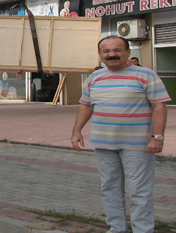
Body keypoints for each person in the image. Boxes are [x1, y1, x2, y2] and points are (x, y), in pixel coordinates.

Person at [71, 36, 170, 233]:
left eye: (117, 50)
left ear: (127, 53)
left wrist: (157, 137)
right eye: (106, 51)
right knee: (109, 187)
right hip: (104, 143)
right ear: (100, 55)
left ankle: (143, 230)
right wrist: (76, 131)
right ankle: (116, 228)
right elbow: (85, 106)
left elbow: (159, 106)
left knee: (139, 191)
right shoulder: (95, 78)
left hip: (138, 145)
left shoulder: (145, 75)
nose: (112, 54)